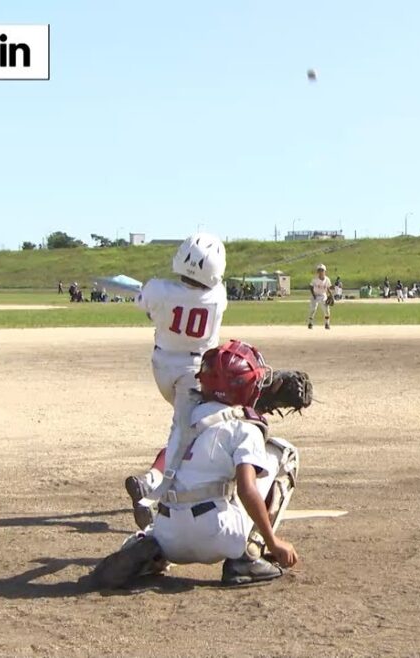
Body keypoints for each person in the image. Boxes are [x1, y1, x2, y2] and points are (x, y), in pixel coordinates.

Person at [92, 341, 300, 589]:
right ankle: (250, 555)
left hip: (171, 537)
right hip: (218, 535)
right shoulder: (246, 427)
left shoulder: (185, 416)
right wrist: (274, 541)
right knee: (284, 453)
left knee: (190, 489)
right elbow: (247, 489)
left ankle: (147, 546)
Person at [124, 233, 229, 530]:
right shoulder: (218, 296)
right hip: (193, 372)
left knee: (186, 431)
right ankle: (152, 487)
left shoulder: (158, 289)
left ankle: (161, 482)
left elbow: (147, 308)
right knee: (184, 436)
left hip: (161, 365)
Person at [307, 264, 332, 329]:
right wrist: (313, 295)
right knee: (313, 309)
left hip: (323, 295)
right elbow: (311, 286)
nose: (320, 272)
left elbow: (328, 288)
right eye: (319, 270)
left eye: (322, 270)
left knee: (326, 310)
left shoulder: (327, 279)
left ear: (325, 271)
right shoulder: (315, 279)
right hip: (315, 295)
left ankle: (327, 324)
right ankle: (310, 323)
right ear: (317, 272)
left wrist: (331, 295)